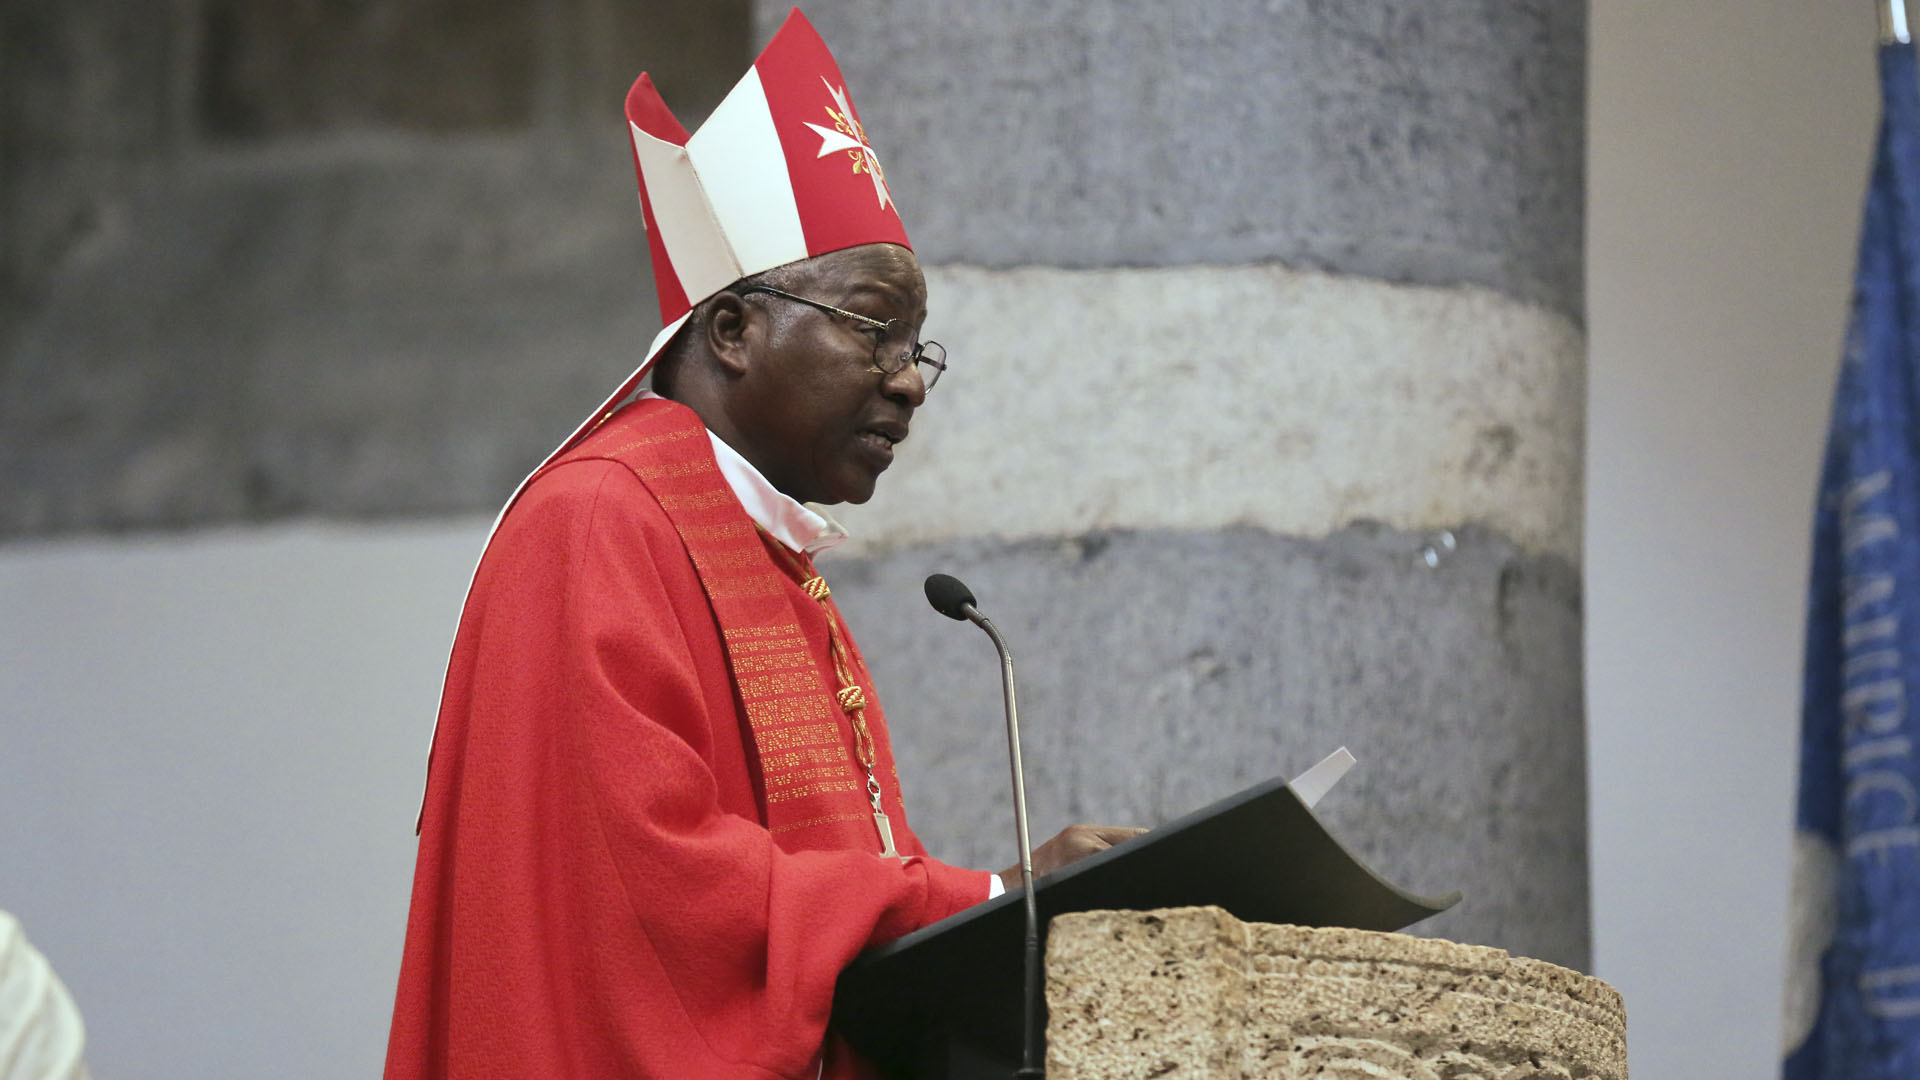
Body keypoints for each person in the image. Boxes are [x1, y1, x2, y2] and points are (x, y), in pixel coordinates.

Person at [382, 11, 1135, 1079]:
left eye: (918, 346)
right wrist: (998, 896)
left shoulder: (769, 554)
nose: (911, 377)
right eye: (873, 328)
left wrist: (996, 916)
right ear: (731, 330)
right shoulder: (600, 521)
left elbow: (846, 882)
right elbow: (657, 890)